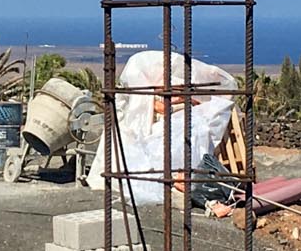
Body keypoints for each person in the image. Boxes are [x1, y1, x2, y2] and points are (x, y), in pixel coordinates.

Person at [87, 49, 235, 204]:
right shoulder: (139, 90)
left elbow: (193, 99)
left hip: (172, 124)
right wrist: (178, 103)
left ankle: (183, 175)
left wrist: (182, 101)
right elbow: (153, 109)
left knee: (191, 130)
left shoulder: (168, 84)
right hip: (147, 129)